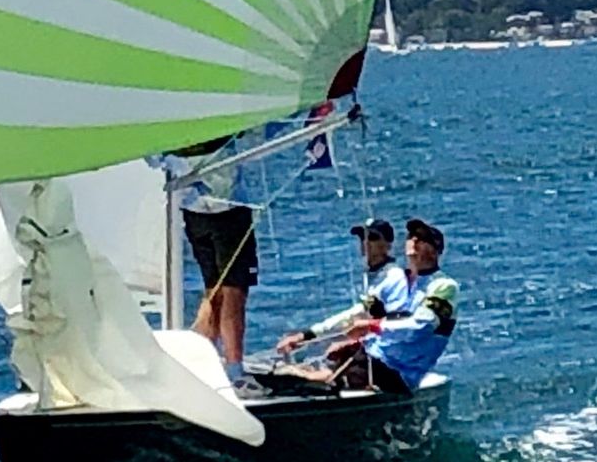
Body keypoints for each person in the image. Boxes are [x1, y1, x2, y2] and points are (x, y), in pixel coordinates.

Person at [282, 217, 458, 395]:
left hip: (401, 373)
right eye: (411, 236)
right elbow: (360, 314)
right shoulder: (405, 282)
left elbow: (421, 326)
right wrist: (310, 335)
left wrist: (371, 327)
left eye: (422, 238)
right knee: (317, 370)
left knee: (309, 379)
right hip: (378, 360)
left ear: (435, 251)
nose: (414, 240)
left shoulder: (443, 286)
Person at [178, 137, 259, 372]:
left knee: (214, 289)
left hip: (193, 209)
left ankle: (204, 365)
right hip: (227, 208)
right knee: (233, 291)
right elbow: (257, 128)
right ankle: (235, 372)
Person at [275, 218, 408, 358]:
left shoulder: (394, 276)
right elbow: (352, 316)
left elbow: (400, 324)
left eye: (373, 238)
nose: (366, 242)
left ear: (387, 245)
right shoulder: (372, 276)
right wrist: (305, 336)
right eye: (362, 237)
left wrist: (352, 342)